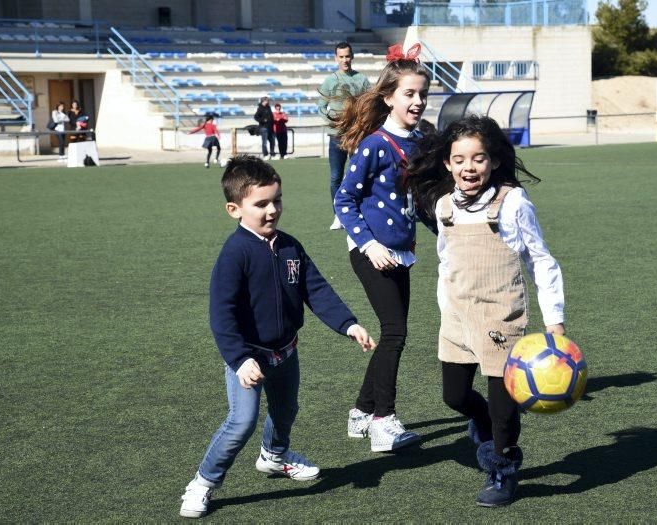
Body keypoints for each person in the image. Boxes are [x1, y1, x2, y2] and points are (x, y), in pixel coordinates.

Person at [179, 155, 376, 519]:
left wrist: (348, 324)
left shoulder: (289, 246)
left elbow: (315, 290)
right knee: (241, 422)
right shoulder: (234, 253)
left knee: (286, 411)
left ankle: (274, 456)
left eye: (277, 200)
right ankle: (203, 482)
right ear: (234, 209)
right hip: (248, 359)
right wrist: (239, 359)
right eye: (261, 204)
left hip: (286, 354)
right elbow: (221, 314)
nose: (272, 210)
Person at [405, 115, 566, 507]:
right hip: (457, 318)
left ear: (493, 162)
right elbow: (447, 262)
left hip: (501, 318)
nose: (469, 167)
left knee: (502, 407)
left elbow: (541, 261)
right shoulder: (444, 207)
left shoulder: (512, 202)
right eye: (459, 159)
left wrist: (555, 322)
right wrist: (447, 308)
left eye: (478, 158)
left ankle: (504, 468)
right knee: (455, 397)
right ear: (447, 163)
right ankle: (486, 430)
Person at [331, 43, 429, 453]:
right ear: (388, 97)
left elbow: (421, 200)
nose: (418, 101)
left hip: (400, 250)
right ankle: (382, 421)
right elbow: (344, 199)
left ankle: (360, 411)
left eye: (423, 94)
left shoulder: (422, 140)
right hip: (371, 251)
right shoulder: (373, 144)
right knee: (395, 333)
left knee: (394, 333)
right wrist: (368, 244)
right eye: (409, 94)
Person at [318, 41, 371, 230]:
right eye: (341, 56)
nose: (345, 60)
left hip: (357, 136)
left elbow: (369, 105)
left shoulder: (362, 80)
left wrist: (363, 122)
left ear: (352, 56)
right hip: (336, 136)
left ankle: (360, 211)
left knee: (359, 174)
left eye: (347, 56)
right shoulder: (330, 81)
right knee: (335, 177)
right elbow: (320, 107)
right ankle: (338, 215)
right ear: (336, 58)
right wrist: (334, 121)